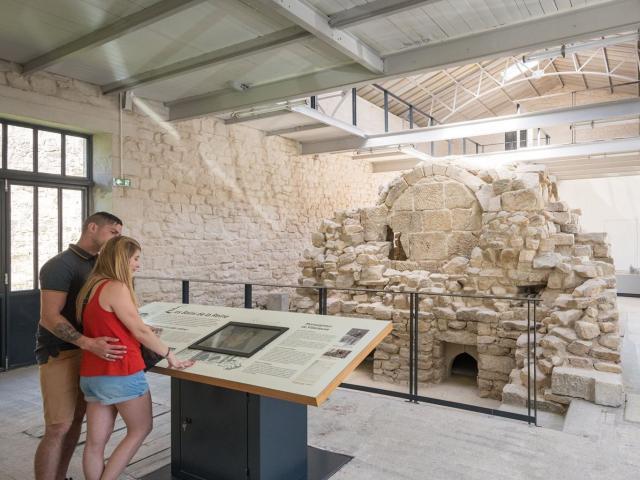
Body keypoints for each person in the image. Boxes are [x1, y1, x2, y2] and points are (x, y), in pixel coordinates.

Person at [76, 236, 193, 480]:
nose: (138, 264)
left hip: (93, 373)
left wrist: (143, 330)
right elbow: (138, 330)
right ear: (122, 258)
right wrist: (170, 355)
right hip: (121, 372)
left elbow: (110, 326)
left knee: (95, 444)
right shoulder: (116, 287)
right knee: (140, 428)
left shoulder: (91, 286)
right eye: (136, 258)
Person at [35, 212, 125, 480]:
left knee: (75, 423)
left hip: (91, 352)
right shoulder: (59, 265)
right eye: (113, 232)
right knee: (58, 426)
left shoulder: (100, 265)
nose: (116, 238)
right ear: (92, 227)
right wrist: (88, 343)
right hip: (61, 352)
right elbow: (49, 316)